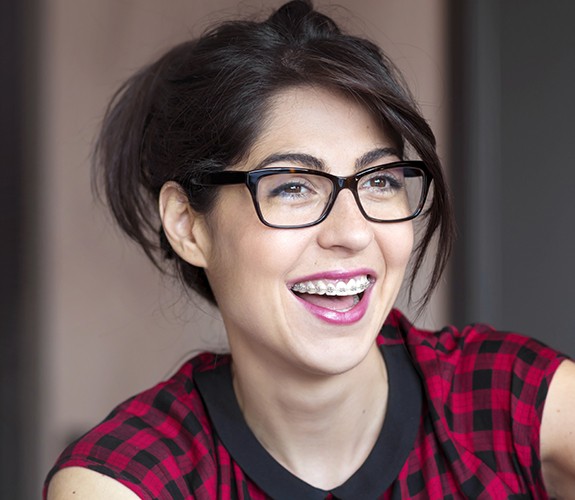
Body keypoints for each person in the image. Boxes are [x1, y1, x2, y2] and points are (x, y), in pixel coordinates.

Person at [45, 1, 575, 498]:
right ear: (188, 226)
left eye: (380, 180)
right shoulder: (129, 479)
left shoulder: (515, 404)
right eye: (293, 186)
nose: (353, 231)